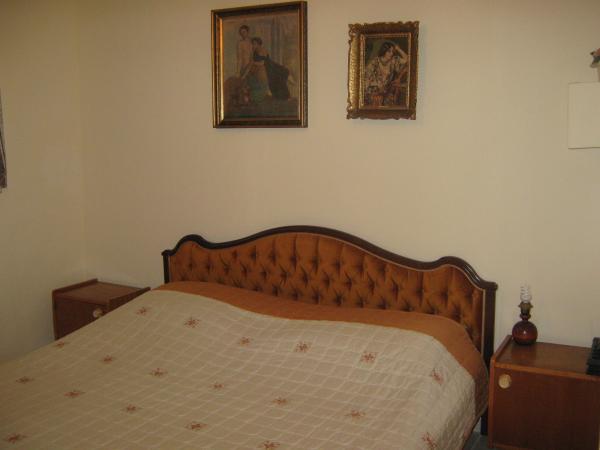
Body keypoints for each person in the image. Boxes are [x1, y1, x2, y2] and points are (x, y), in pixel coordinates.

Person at [364, 41, 409, 106]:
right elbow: (365, 79)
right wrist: (375, 86)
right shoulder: (374, 63)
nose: (391, 54)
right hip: (373, 92)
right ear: (384, 51)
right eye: (389, 51)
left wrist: (398, 49)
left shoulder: (393, 61)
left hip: (385, 92)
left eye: (392, 52)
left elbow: (408, 59)